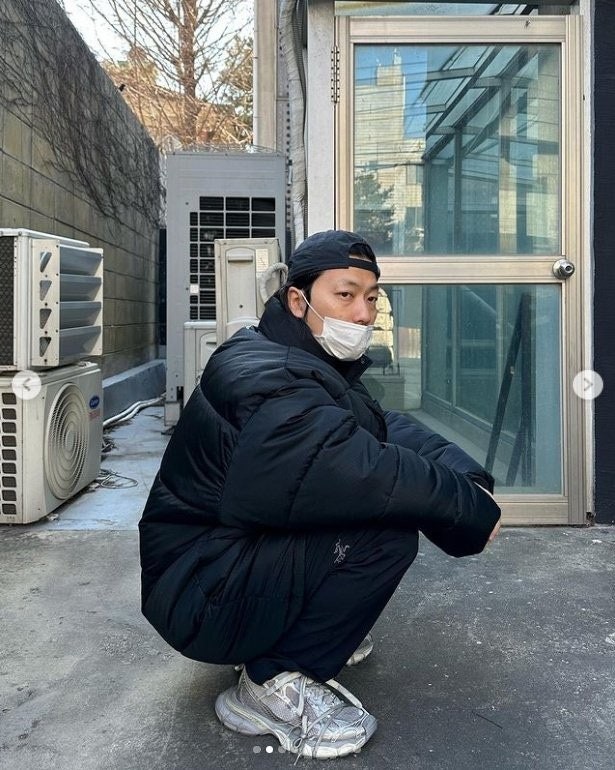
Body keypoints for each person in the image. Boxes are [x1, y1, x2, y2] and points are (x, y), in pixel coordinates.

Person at [138, 229, 501, 760]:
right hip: (198, 596)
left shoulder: (294, 354)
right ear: (297, 299)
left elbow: (377, 427)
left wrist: (465, 474)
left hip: (214, 563)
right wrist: (464, 509)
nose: (363, 313)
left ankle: (296, 632)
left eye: (371, 297)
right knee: (384, 535)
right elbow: (362, 469)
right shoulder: (271, 381)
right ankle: (269, 685)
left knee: (375, 513)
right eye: (345, 294)